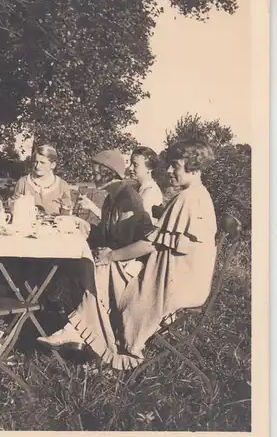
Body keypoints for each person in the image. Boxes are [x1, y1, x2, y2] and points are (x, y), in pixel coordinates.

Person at [38, 140, 217, 371]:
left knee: (102, 268)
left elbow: (150, 244)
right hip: (179, 277)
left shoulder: (188, 199)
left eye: (176, 166)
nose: (170, 171)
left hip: (177, 285)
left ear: (194, 166)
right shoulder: (196, 195)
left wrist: (113, 255)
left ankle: (90, 340)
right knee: (102, 269)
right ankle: (90, 341)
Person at [13, 144, 72, 216]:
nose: (37, 166)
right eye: (35, 162)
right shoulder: (23, 182)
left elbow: (66, 214)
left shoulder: (62, 186)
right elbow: (14, 209)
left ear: (53, 165)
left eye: (42, 163)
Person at [128, 146, 164, 223]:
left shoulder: (150, 192)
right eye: (130, 163)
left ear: (149, 169)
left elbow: (140, 226)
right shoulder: (137, 188)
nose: (130, 168)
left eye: (135, 165)